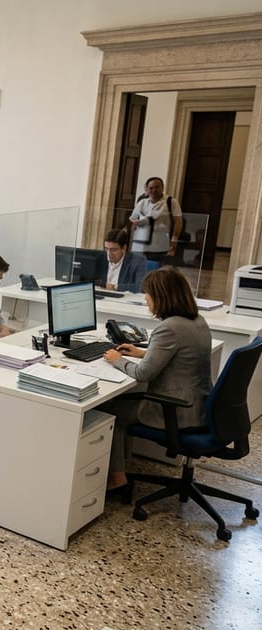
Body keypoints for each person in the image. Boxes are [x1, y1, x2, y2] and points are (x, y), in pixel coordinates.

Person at [99, 268, 211, 494]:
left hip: (174, 411)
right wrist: (143, 353)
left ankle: (118, 479)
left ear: (161, 297)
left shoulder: (169, 327)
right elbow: (179, 356)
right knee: (122, 403)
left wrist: (117, 359)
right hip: (199, 406)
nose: (146, 300)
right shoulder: (197, 321)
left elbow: (142, 375)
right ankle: (123, 463)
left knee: (108, 411)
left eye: (148, 295)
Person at [129, 177, 183, 261]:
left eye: (157, 187)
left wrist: (174, 240)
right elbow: (133, 220)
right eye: (151, 188)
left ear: (162, 188)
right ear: (147, 189)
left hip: (160, 242)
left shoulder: (171, 202)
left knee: (156, 266)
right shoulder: (142, 202)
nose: (154, 190)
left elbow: (178, 222)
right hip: (141, 242)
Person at [101, 227, 148, 293]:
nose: (109, 254)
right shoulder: (100, 259)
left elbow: (141, 287)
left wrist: (115, 287)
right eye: (106, 249)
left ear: (124, 248)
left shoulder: (138, 261)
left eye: (113, 250)